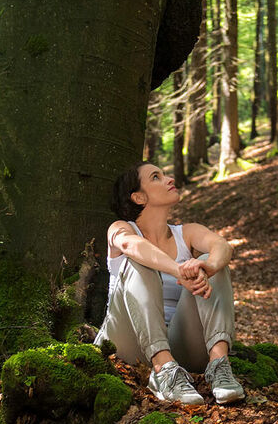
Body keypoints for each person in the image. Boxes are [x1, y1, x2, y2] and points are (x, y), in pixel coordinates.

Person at [94, 163, 245, 406]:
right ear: (139, 197)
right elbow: (133, 246)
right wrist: (178, 270)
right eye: (156, 177)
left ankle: (219, 367)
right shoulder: (121, 228)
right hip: (126, 343)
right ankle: (162, 369)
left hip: (181, 346)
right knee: (138, 260)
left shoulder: (186, 233)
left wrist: (210, 267)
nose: (169, 179)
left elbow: (222, 246)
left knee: (209, 261)